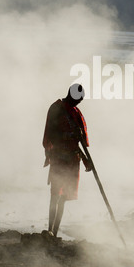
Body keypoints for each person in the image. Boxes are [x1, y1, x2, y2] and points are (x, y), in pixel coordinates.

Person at [42, 83, 92, 238]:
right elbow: (50, 134)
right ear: (71, 95)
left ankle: (55, 233)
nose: (78, 103)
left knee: (63, 198)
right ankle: (50, 230)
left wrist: (86, 159)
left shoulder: (77, 113)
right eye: (77, 100)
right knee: (55, 195)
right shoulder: (56, 109)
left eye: (80, 101)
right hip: (58, 158)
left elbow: (80, 142)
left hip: (73, 160)